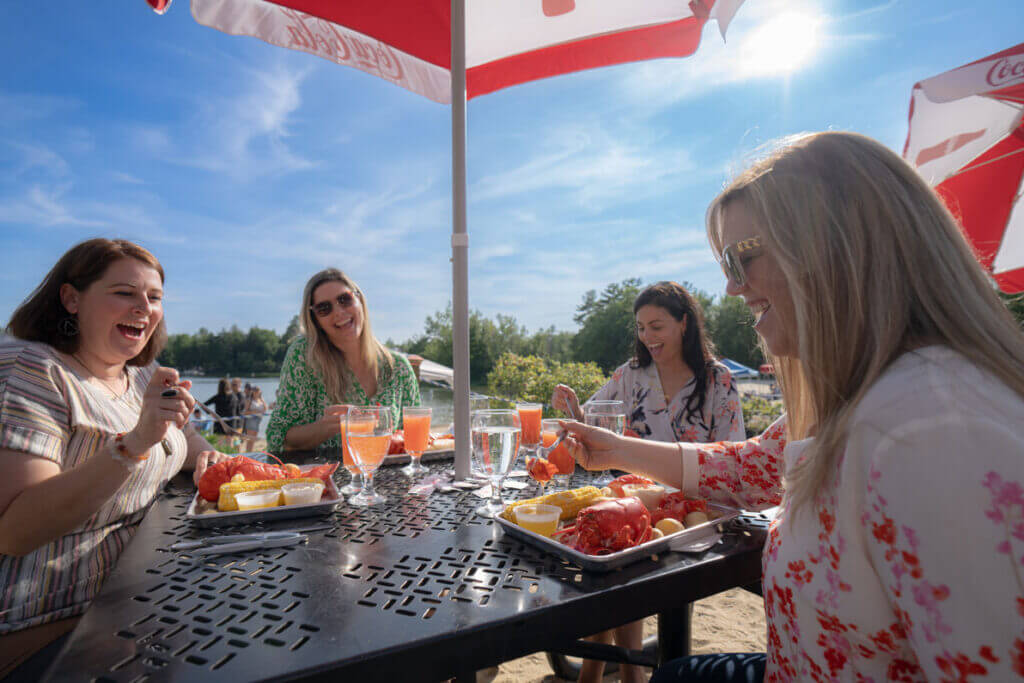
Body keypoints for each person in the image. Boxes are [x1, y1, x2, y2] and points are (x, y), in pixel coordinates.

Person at [559, 132, 1024, 682]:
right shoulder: (860, 396)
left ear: (837, 245)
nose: (732, 287)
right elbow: (752, 464)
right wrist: (615, 447)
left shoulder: (931, 435)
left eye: (741, 257)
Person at [0, 238, 231, 679]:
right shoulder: (34, 369)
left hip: (145, 597)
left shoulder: (141, 372)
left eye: (155, 297)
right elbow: (14, 531)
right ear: (71, 298)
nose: (144, 306)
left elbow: (180, 438)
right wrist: (134, 442)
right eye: (125, 292)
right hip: (52, 625)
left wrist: (212, 457)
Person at [551, 281, 745, 683]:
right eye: (641, 328)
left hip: (693, 511)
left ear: (684, 324)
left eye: (657, 326)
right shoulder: (631, 375)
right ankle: (618, 672)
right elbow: (593, 423)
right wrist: (571, 407)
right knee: (612, 554)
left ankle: (605, 671)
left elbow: (734, 458)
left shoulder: (718, 380)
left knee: (624, 563)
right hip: (630, 499)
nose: (647, 337)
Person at [265, 268, 420, 453]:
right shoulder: (304, 356)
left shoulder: (399, 368)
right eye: (324, 308)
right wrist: (330, 426)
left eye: (345, 299)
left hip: (390, 479)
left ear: (359, 300)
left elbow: (415, 441)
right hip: (324, 479)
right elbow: (279, 437)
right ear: (315, 320)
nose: (338, 312)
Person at [241, 386, 267, 452]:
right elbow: (244, 412)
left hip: (258, 421)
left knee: (254, 439)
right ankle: (248, 452)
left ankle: (250, 452)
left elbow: (265, 409)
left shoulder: (261, 400)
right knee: (250, 439)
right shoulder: (250, 400)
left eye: (258, 390)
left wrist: (262, 400)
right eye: (255, 390)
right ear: (252, 392)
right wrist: (253, 412)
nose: (256, 392)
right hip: (251, 420)